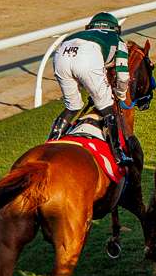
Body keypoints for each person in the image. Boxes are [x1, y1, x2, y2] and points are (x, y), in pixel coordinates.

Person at [47, 11, 133, 164]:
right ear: (116, 29)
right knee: (107, 107)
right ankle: (118, 153)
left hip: (61, 53)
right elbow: (123, 76)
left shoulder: (78, 33)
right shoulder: (119, 41)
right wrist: (120, 94)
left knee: (72, 105)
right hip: (88, 56)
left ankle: (51, 142)